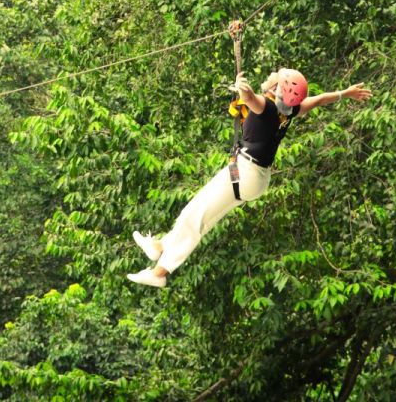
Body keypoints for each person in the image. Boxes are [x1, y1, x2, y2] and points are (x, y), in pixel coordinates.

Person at [127, 69, 373, 287]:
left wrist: (242, 87)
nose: (268, 77)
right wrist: (344, 93)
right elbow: (318, 100)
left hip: (247, 173)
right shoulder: (290, 109)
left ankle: (160, 272)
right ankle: (159, 247)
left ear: (278, 89)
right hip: (250, 174)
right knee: (194, 210)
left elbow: (249, 98)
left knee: (198, 218)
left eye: (273, 78)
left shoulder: (266, 107)